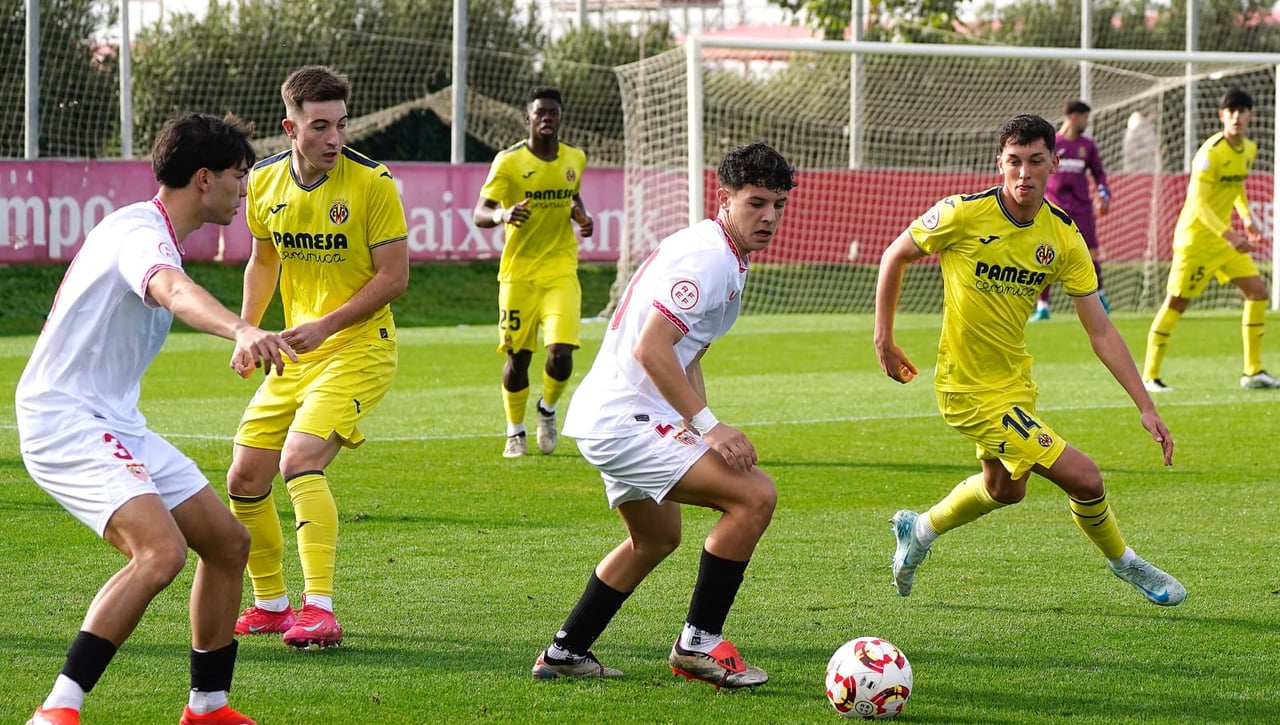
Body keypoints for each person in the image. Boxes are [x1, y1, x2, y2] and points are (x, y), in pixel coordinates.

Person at [17, 114, 297, 725]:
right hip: (65, 419)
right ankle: (57, 710)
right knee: (159, 553)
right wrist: (242, 327)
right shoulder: (141, 234)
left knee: (228, 544)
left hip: (114, 420)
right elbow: (170, 289)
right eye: (238, 176)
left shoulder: (152, 231)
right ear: (204, 178)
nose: (244, 189)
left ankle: (208, 707)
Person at [874, 114, 1186, 610]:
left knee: (1005, 489)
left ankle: (921, 529)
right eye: (1014, 162)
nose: (1024, 174)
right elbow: (895, 255)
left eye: (1035, 161)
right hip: (965, 390)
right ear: (999, 163)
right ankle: (1124, 561)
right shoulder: (962, 214)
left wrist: (1145, 405)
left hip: (1014, 383)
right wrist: (884, 340)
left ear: (1053, 164)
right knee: (1086, 478)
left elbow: (1100, 328)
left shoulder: (1062, 236)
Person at [530, 141, 796, 689]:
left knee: (655, 538)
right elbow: (651, 350)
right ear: (724, 198)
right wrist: (708, 427)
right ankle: (697, 646)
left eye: (778, 204)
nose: (768, 216)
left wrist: (707, 421)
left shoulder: (718, 249)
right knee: (754, 496)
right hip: (625, 417)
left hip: (614, 415)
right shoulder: (709, 259)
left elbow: (687, 352)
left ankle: (564, 652)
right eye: (755, 203)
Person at [227, 65, 409, 649]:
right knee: (244, 476)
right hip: (294, 353)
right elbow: (263, 260)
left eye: (341, 125)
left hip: (359, 347)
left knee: (299, 460)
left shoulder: (372, 183)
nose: (334, 138)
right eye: (321, 126)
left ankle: (320, 608)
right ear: (291, 127)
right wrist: (247, 331)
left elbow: (394, 278)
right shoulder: (263, 183)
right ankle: (272, 603)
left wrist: (325, 324)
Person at [472, 86, 594, 459]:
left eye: (552, 113)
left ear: (560, 118)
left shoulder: (575, 158)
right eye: (539, 112)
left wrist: (582, 217)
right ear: (527, 118)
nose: (546, 118)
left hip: (560, 271)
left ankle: (548, 410)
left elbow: (572, 195)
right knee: (518, 358)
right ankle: (515, 431)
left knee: (561, 352)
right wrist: (503, 215)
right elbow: (480, 212)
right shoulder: (507, 162)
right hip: (518, 275)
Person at [1142, 87, 1278, 392]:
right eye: (1231, 111)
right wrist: (1231, 234)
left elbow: (1237, 188)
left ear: (1250, 115)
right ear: (1221, 116)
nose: (1237, 117)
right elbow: (1199, 204)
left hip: (1224, 242)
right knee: (1177, 302)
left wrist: (1246, 218)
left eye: (1242, 111)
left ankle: (1253, 371)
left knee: (1257, 292)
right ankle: (1150, 376)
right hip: (1197, 241)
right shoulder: (1209, 153)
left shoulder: (1250, 150)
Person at [1032, 99, 1111, 320]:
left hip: (1082, 209)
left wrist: (1104, 193)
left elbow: (1099, 174)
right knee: (1044, 255)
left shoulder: (1088, 146)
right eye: (1085, 118)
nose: (1087, 122)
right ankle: (1043, 306)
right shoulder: (1052, 144)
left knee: (1091, 255)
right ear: (1074, 117)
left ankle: (1101, 298)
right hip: (1053, 209)